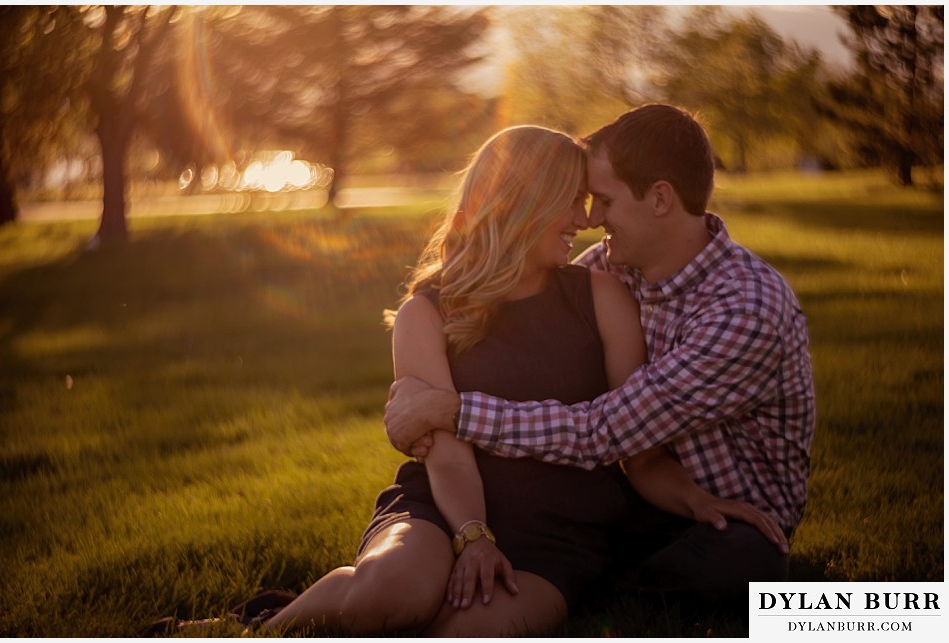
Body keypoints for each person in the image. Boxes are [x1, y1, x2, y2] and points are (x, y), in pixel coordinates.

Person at [235, 124, 784, 637]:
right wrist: (473, 535)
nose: (585, 217)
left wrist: (697, 501)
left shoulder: (601, 294)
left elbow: (631, 447)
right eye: (571, 199)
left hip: (559, 533)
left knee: (468, 633)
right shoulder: (426, 313)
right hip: (444, 507)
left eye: (590, 200)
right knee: (390, 595)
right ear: (524, 202)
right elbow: (445, 453)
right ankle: (268, 622)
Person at [384, 104, 815, 602]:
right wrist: (416, 393)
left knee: (742, 561)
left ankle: (604, 594)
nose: (589, 219)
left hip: (723, 515)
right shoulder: (613, 269)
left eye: (603, 201)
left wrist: (450, 410)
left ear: (659, 199)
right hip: (637, 495)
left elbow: (603, 432)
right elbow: (511, 299)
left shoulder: (743, 309)